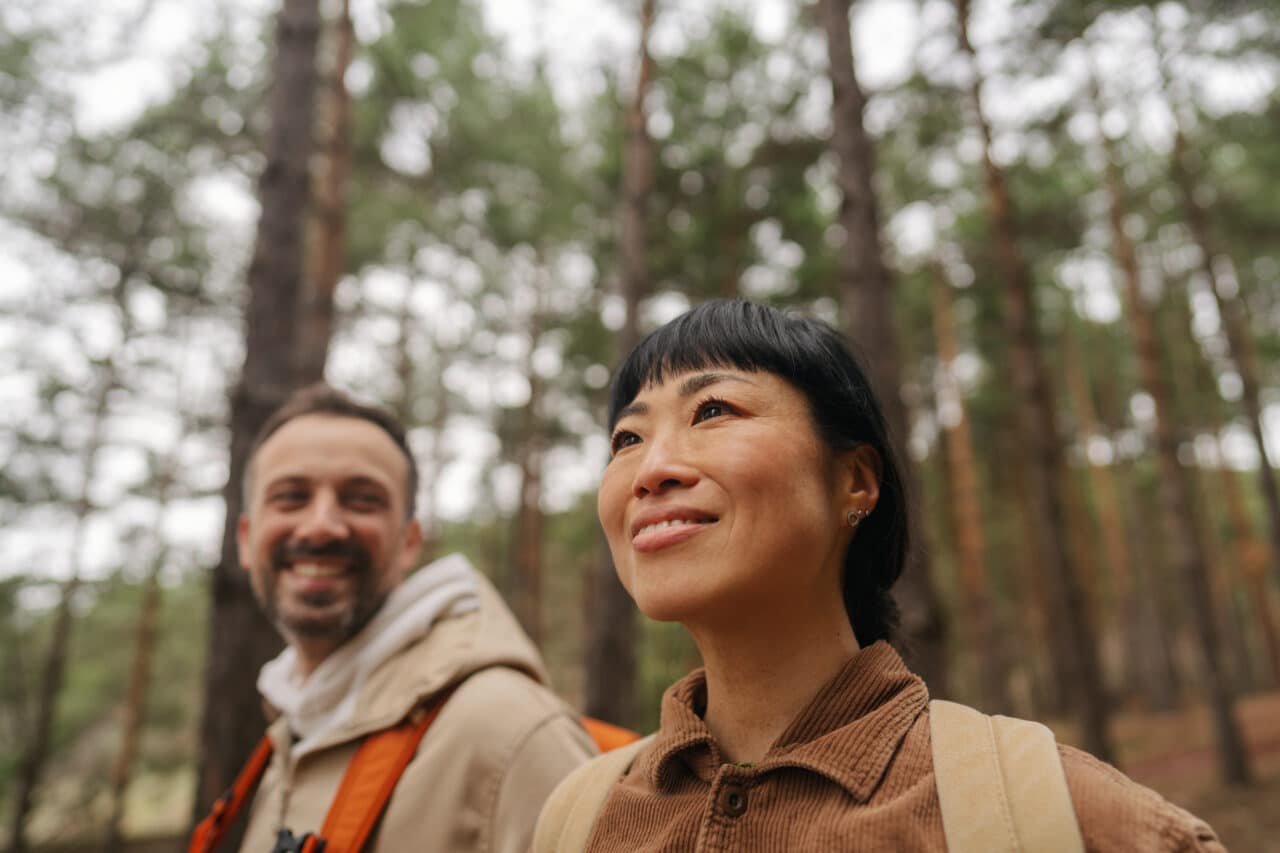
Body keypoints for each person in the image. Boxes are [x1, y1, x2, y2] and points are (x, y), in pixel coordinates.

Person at [538, 300, 1224, 851]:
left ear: (856, 480)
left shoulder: (1059, 816)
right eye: (627, 439)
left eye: (713, 410)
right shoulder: (578, 819)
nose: (651, 469)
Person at [208, 384, 594, 852]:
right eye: (291, 497)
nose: (321, 525)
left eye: (361, 499)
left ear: (410, 541)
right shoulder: (292, 737)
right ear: (246, 539)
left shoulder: (509, 733)